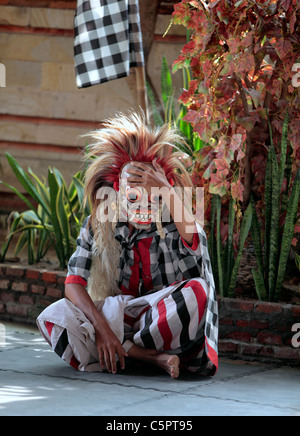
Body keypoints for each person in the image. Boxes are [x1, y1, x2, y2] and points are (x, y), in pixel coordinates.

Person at [37, 112, 219, 379]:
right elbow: (73, 284)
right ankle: (143, 356)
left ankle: (125, 353)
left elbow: (195, 242)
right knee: (53, 318)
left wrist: (166, 190)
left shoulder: (172, 220)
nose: (144, 202)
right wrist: (102, 329)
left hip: (158, 317)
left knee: (197, 293)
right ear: (116, 190)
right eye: (134, 194)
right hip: (116, 317)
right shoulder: (99, 223)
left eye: (153, 194)